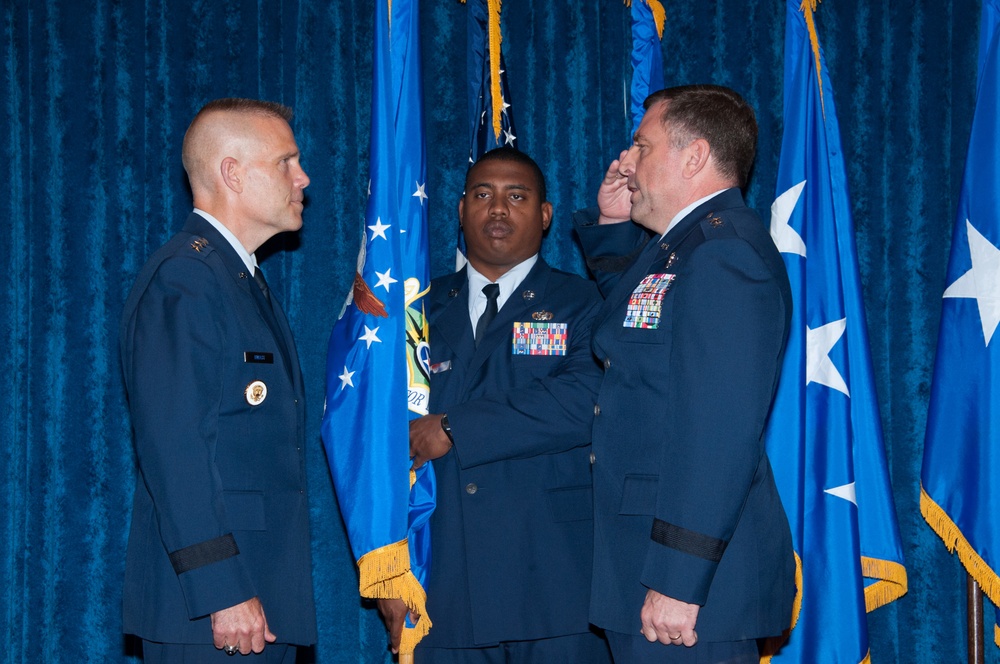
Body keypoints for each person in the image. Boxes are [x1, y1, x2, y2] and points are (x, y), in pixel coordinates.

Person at [575, 85, 795, 663]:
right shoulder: (689, 247)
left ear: (694, 157)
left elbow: (718, 431)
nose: (627, 162)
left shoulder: (726, 253)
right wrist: (612, 224)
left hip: (685, 586)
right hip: (649, 565)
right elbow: (639, 328)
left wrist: (678, 576)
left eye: (641, 146)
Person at [378, 147, 612, 663]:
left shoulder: (587, 304)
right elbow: (375, 442)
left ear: (545, 215)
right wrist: (389, 573)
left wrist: (455, 427)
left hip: (554, 587)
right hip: (442, 586)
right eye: (482, 195)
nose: (498, 210)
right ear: (461, 210)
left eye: (517, 196)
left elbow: (586, 399)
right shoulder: (415, 310)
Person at [119, 98, 315, 663]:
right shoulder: (188, 280)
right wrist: (221, 589)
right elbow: (174, 448)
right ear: (232, 172)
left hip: (258, 596)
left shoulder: (237, 279)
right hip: (212, 613)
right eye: (286, 162)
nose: (302, 178)